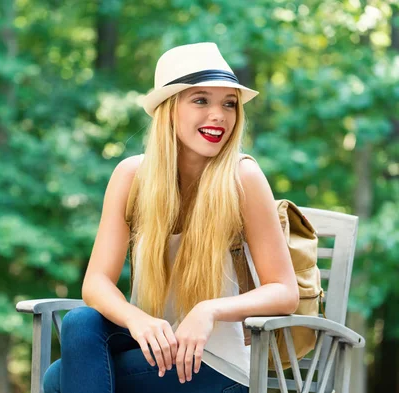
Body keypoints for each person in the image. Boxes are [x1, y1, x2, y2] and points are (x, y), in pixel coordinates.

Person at [42, 42, 299, 393]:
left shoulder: (243, 177)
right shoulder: (132, 176)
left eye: (229, 104)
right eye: (200, 100)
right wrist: (138, 320)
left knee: (57, 379)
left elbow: (284, 292)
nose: (219, 116)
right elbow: (96, 283)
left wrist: (208, 310)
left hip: (218, 365)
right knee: (81, 321)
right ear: (168, 109)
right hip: (155, 348)